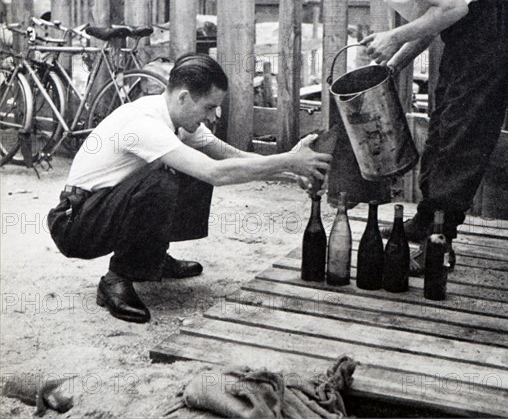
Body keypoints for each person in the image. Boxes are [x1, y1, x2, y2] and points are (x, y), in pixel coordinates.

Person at [321, 0, 508, 271]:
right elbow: (434, 20)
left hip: (489, 18)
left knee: (461, 131)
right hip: (472, 26)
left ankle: (439, 244)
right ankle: (426, 220)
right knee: (445, 120)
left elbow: (453, 7)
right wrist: (395, 65)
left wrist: (394, 37)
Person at [48, 53, 332, 323]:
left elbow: (229, 156)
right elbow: (215, 173)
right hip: (76, 224)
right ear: (184, 97)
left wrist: (290, 166)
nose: (214, 116)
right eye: (209, 107)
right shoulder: (144, 123)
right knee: (163, 181)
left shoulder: (176, 116)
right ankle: (116, 279)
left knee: (186, 169)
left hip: (101, 207)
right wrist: (289, 161)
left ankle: (152, 258)